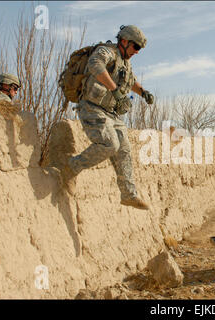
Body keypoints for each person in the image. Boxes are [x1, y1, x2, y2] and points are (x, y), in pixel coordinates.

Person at [54, 25, 154, 210]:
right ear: (124, 41)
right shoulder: (106, 51)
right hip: (92, 107)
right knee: (110, 144)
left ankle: (128, 195)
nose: (137, 52)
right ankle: (70, 168)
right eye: (136, 47)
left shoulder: (125, 62)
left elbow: (130, 81)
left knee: (124, 150)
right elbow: (95, 64)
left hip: (111, 114)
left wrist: (143, 92)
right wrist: (114, 90)